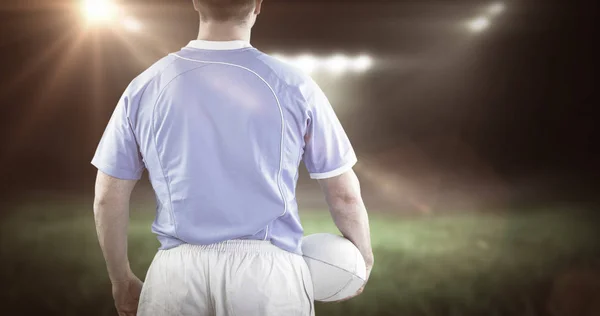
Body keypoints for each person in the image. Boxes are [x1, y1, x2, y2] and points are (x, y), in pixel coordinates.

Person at [91, 0, 374, 315]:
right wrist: (362, 259)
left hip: (176, 275)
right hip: (269, 277)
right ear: (257, 5)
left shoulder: (145, 86)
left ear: (196, 3)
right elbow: (344, 195)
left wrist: (121, 278)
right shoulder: (295, 85)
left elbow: (107, 197)